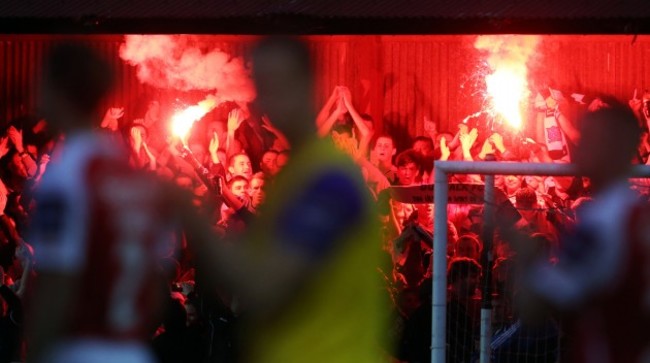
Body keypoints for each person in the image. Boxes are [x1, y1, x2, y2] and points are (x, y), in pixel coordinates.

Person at [175, 36, 388, 363]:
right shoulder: (296, 177)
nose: (266, 101)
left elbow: (271, 280)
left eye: (276, 87)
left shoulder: (328, 176)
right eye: (261, 87)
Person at [27, 44, 175, 363]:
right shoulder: (135, 177)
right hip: (133, 351)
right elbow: (154, 288)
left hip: (79, 350)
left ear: (54, 90)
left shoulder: (66, 175)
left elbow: (56, 284)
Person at [509, 100, 650, 363]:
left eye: (588, 140)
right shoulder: (636, 215)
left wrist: (524, 253)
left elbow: (540, 302)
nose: (579, 148)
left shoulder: (603, 221)